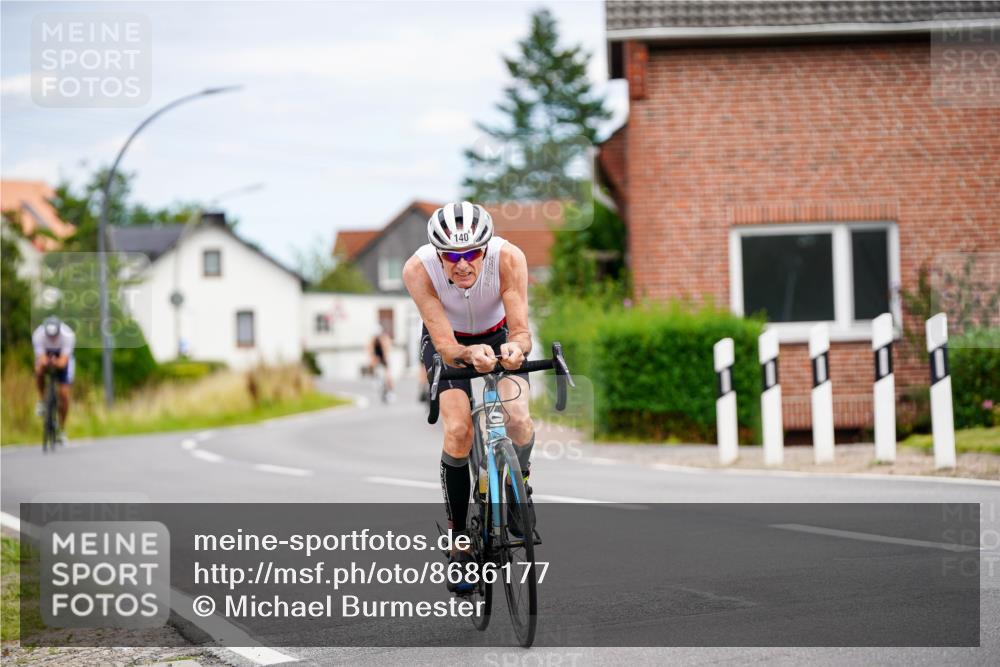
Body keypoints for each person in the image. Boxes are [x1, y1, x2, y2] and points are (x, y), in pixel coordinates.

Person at [402, 201, 534, 594]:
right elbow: (443, 343)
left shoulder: (509, 257)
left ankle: (519, 486)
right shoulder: (417, 270)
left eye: (472, 253)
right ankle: (459, 544)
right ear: (439, 255)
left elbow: (522, 331)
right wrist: (466, 353)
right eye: (452, 256)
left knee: (518, 417)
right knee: (458, 430)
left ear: (486, 249)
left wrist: (515, 349)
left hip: (500, 334)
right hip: (449, 343)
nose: (463, 264)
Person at [32, 316, 76, 445]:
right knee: (39, 370)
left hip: (63, 358)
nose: (52, 339)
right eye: (49, 336)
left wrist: (56, 362)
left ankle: (62, 430)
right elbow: (41, 358)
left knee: (64, 394)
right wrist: (46, 362)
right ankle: (41, 400)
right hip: (46, 354)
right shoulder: (38, 335)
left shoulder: (68, 335)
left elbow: (63, 362)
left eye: (54, 336)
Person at [367, 326, 395, 402]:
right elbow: (369, 349)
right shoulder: (373, 340)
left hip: (384, 356)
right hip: (377, 356)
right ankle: (374, 378)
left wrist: (385, 360)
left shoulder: (384, 339)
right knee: (371, 365)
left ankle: (391, 391)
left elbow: (386, 350)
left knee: (388, 375)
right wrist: (372, 358)